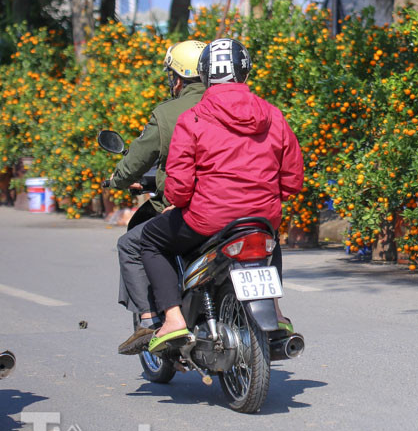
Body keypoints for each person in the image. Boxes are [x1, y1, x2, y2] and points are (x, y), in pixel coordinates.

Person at [136, 38, 304, 354]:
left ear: (204, 74)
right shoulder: (273, 115)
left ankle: (172, 319)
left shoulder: (193, 117)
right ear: (245, 71)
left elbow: (180, 186)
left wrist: (174, 199)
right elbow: (293, 180)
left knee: (150, 241)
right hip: (260, 217)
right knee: (270, 237)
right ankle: (277, 312)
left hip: (207, 219)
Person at [112, 40, 207, 355]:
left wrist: (118, 179)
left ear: (178, 77)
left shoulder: (168, 114)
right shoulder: (233, 107)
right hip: (245, 206)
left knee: (135, 244)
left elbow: (140, 159)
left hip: (192, 208)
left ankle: (154, 320)